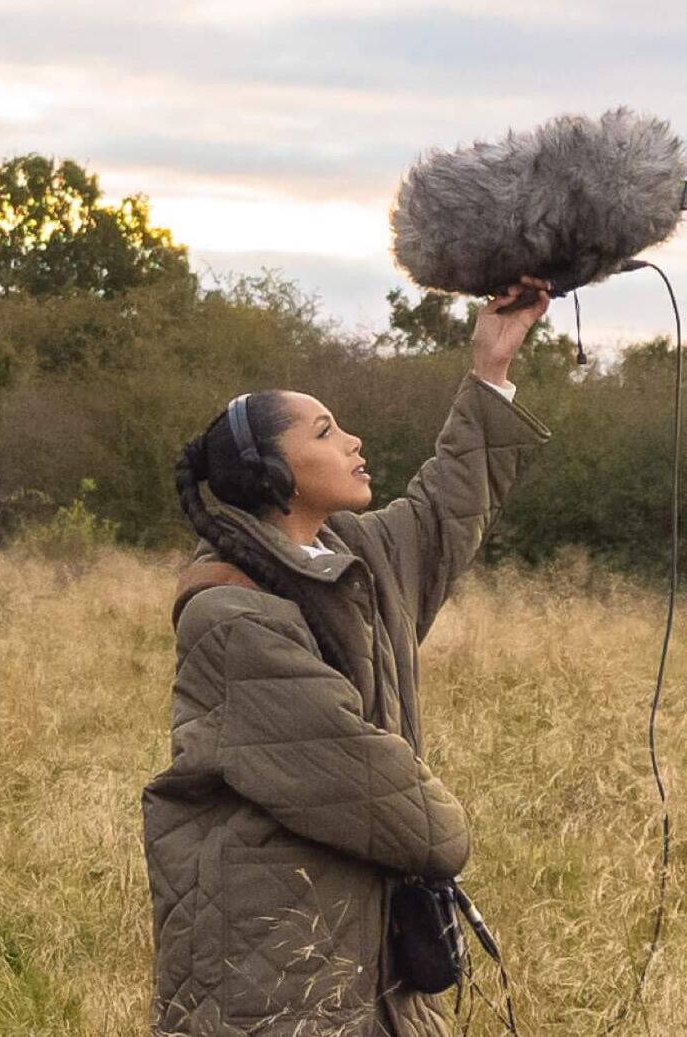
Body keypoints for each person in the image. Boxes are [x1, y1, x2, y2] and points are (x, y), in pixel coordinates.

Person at [143, 278, 553, 1037]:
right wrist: (445, 835)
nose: (353, 440)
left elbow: (443, 513)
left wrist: (491, 367)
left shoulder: (348, 555)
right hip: (272, 973)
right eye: (325, 432)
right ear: (271, 473)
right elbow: (380, 796)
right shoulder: (229, 615)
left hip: (352, 949)